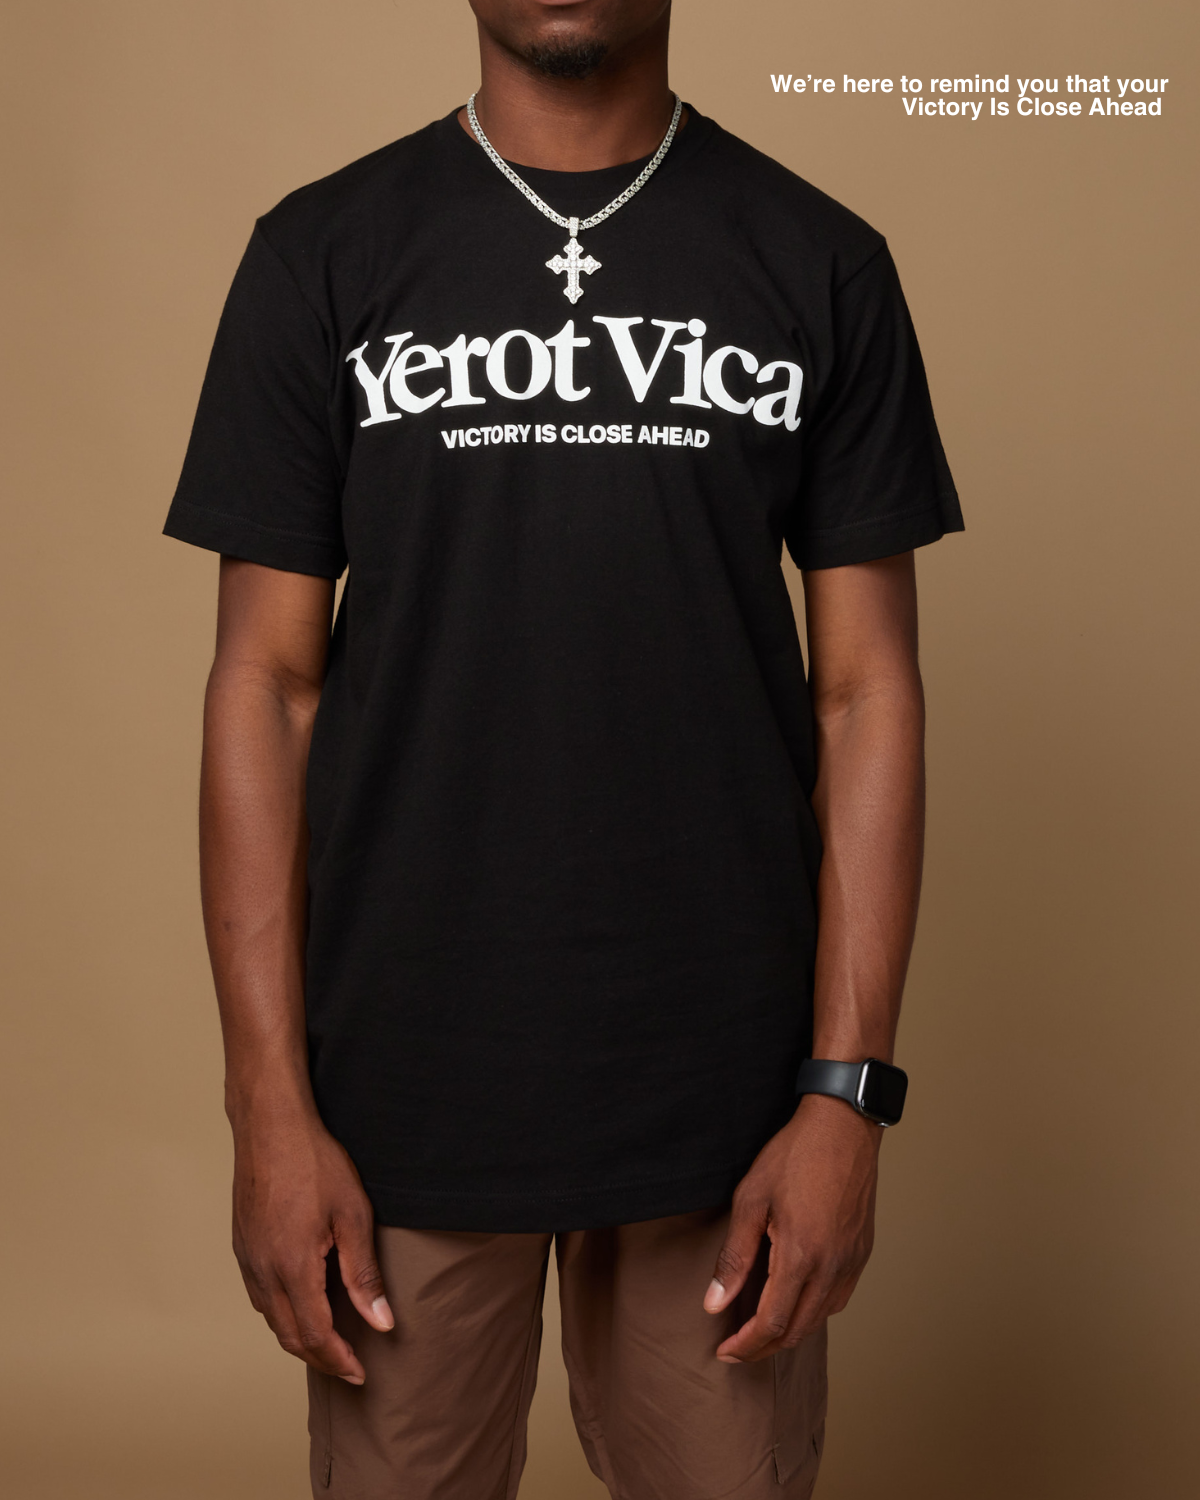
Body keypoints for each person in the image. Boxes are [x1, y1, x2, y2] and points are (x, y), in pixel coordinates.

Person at [164, 1, 962, 1495]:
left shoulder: (820, 258)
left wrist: (843, 1100)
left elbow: (867, 694)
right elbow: (263, 687)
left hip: (727, 1115)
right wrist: (266, 1108)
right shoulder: (320, 253)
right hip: (397, 1107)